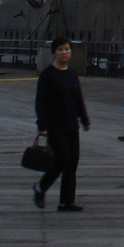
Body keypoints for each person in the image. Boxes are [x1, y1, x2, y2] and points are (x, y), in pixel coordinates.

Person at [33, 36, 90, 212]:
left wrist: (84, 120)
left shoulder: (72, 74)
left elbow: (78, 98)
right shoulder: (47, 75)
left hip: (71, 123)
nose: (64, 53)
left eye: (67, 49)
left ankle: (66, 201)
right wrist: (42, 126)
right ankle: (40, 187)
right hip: (54, 125)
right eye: (60, 50)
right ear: (54, 53)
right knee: (61, 159)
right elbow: (40, 102)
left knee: (72, 162)